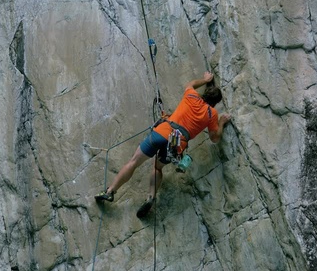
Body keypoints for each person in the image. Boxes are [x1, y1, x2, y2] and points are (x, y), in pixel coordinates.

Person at [95, 71, 231, 217]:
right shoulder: (212, 114)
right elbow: (214, 138)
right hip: (177, 143)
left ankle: (110, 191)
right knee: (157, 167)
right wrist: (221, 122)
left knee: (134, 162)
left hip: (162, 132)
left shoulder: (191, 95)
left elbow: (190, 84)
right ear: (215, 103)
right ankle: (151, 197)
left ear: (204, 93)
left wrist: (205, 80)